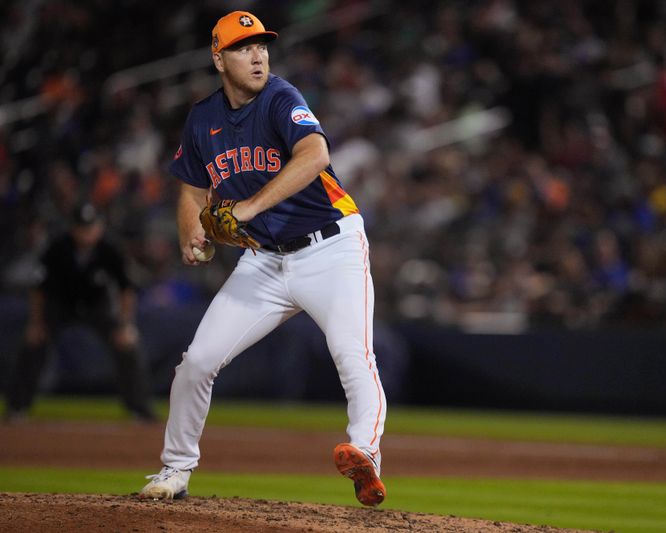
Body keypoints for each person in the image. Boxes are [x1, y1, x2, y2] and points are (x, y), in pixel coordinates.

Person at [138, 11, 387, 506]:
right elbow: (191, 187)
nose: (257, 56)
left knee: (353, 356)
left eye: (262, 46)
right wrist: (192, 231)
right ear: (218, 58)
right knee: (197, 363)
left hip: (331, 247)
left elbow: (315, 154)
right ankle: (175, 469)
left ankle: (365, 455)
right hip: (263, 260)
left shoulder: (280, 97)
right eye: (242, 47)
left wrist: (247, 207)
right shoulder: (203, 118)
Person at [4, 203, 156, 422]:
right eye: (82, 227)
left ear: (99, 227)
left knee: (128, 345)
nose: (86, 233)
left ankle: (140, 409)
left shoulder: (109, 249)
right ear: (73, 228)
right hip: (60, 305)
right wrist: (35, 323)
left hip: (97, 306)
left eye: (90, 227)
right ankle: (17, 407)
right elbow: (38, 290)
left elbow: (126, 290)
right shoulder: (58, 248)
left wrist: (125, 325)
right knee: (33, 343)